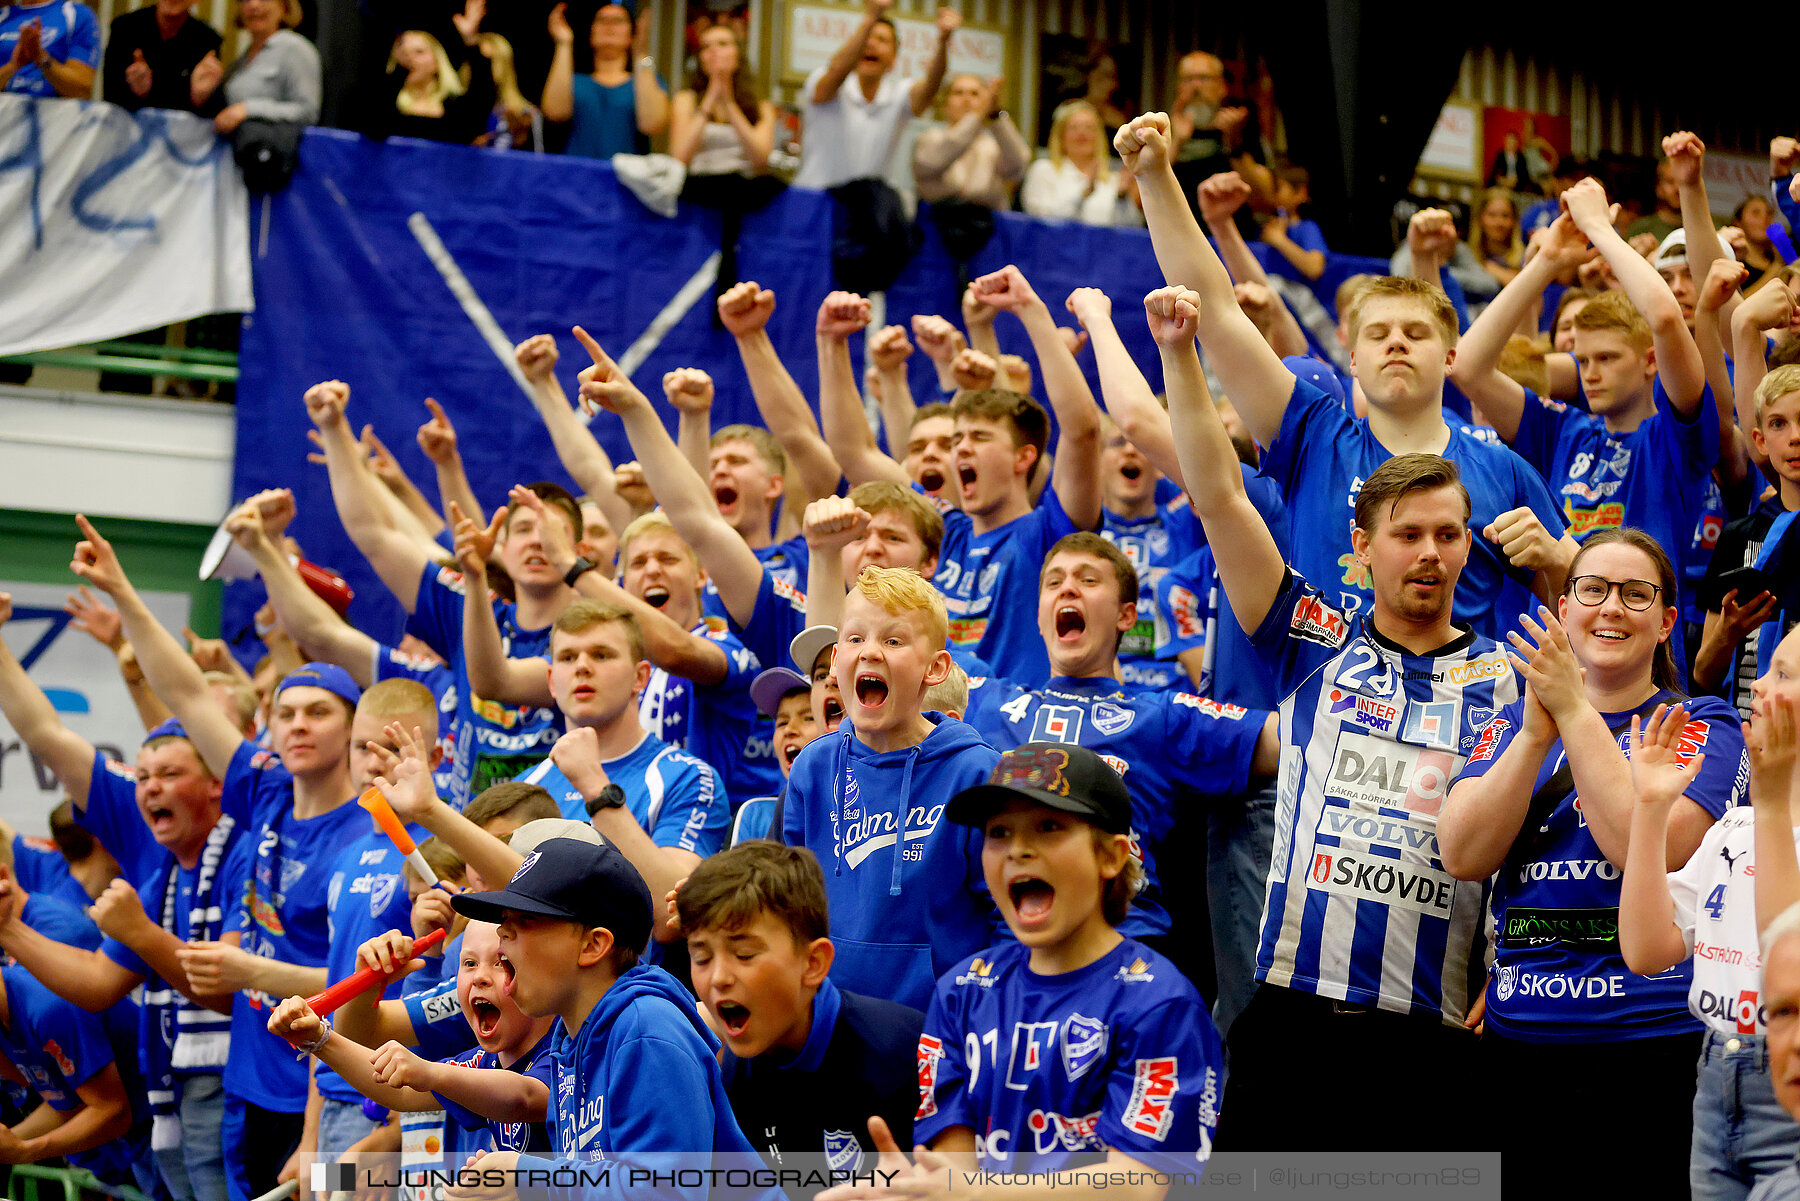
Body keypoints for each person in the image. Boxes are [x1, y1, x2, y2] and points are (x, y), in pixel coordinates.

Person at [1157, 275, 1522, 1148]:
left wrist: (1506, 967)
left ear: (1470, 541)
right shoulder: (1317, 636)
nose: (1430, 553)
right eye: (1407, 533)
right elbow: (1218, 497)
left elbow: (1525, 849)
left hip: (1430, 1034)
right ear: (1362, 546)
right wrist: (1180, 352)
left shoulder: (1508, 682)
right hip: (1296, 1023)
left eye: (1448, 533)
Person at [1117, 110, 1573, 646]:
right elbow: (1216, 311)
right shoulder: (1314, 433)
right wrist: (1155, 177)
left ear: (1451, 358)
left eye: (1416, 333)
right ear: (1351, 359)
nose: (1397, 342)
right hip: (1328, 716)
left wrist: (1562, 561)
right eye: (1378, 334)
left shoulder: (1505, 470)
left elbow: (1577, 606)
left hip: (1466, 721)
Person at [70, 513, 368, 1201]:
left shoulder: (372, 834)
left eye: (317, 712)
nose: (296, 725)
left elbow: (368, 978)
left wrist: (253, 969)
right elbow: (185, 692)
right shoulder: (263, 789)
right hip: (247, 1078)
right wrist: (122, 589)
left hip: (323, 1086)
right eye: (286, 712)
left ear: (352, 726)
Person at [1440, 529, 1745, 1193]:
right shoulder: (1509, 727)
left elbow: (1652, 849)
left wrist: (1573, 709)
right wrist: (1532, 737)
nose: (1612, 607)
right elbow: (1462, 852)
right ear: (1564, 611)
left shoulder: (1703, 722)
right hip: (1522, 1043)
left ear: (1667, 622)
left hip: (1652, 1046)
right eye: (1593, 589)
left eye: (1637, 594)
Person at [871, 742, 1223, 1185]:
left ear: (1112, 856)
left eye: (1049, 826)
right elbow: (951, 1168)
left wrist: (971, 1195)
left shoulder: (1162, 1004)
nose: (1018, 850)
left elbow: (1135, 1188)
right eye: (998, 833)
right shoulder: (961, 991)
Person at [962, 532, 1277, 961]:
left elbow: (1294, 740)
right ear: (1039, 616)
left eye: (1089, 580)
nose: (1068, 587)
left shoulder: (1161, 718)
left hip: (1122, 945)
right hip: (1009, 947)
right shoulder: (981, 701)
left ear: (1126, 615)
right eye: (1054, 583)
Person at [1452, 186, 1724, 677]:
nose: (1590, 373)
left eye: (1606, 358)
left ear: (1648, 363)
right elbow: (1468, 367)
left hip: (1639, 666)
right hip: (1556, 660)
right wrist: (1546, 262)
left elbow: (1663, 316)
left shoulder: (1674, 439)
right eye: (1582, 360)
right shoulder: (1565, 430)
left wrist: (1600, 228)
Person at [441, 838, 774, 1198]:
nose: (503, 932)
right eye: (505, 920)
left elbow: (666, 1192)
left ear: (593, 945)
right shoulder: (568, 1042)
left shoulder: (646, 1030)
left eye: (526, 920)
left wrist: (528, 1178)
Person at [0, 707, 240, 1201]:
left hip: (263, 1087)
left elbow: (229, 996)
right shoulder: (159, 880)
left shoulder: (244, 856)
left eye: (170, 774)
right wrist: (6, 930)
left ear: (220, 784)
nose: (150, 787)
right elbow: (96, 984)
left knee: (366, 1183)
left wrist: (141, 933)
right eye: (144, 776)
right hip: (175, 1092)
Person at [308, 379, 576, 792]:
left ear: (580, 548)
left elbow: (495, 681)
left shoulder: (590, 637)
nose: (538, 540)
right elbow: (374, 535)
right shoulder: (469, 606)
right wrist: (334, 429)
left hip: (552, 841)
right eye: (524, 528)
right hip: (464, 835)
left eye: (552, 529)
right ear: (502, 546)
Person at [1619, 627, 1800, 1201]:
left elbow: (1786, 949)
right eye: (1768, 669)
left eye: (1786, 675)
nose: (1762, 686)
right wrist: (1650, 809)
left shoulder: (1761, 817)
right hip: (1715, 1074)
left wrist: (1771, 806)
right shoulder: (1737, 826)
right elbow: (1647, 949)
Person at [780, 567, 1002, 1011]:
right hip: (831, 1018)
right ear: (837, 654)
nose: (870, 653)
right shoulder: (812, 767)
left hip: (942, 1026)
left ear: (935, 668)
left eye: (894, 641)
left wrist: (976, 1011)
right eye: (855, 639)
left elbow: (1006, 915)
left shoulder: (977, 771)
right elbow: (791, 901)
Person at [676, 843, 922, 1189]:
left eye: (744, 954)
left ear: (813, 963)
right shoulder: (733, 1077)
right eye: (701, 957)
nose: (718, 978)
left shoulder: (906, 1054)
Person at [511, 600, 729, 942]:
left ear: (640, 677)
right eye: (568, 657)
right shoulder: (526, 785)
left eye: (601, 655)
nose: (582, 667)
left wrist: (595, 789)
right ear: (552, 681)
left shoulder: (687, 778)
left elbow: (670, 917)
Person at [266, 920, 556, 1159]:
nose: (480, 976)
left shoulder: (560, 1052)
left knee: (341, 1179)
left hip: (395, 1144)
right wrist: (317, 1038)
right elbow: (399, 1090)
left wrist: (428, 1074)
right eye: (468, 963)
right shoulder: (482, 1050)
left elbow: (524, 1096)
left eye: (501, 963)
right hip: (358, 1125)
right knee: (321, 1183)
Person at [794, 0, 957, 293]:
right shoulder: (826, 84)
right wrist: (872, 16)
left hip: (866, 217)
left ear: (894, 59)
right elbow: (837, 69)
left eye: (883, 41)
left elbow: (930, 87)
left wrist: (944, 42)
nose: (872, 44)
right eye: (868, 38)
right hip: (815, 208)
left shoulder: (898, 95)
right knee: (806, 295)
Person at [1695, 361, 1800, 714]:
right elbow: (1703, 675)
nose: (1794, 436)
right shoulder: (1737, 537)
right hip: (1744, 727)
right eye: (1778, 424)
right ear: (1760, 441)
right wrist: (1727, 634)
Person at [668, 23, 781, 295]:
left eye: (722, 44)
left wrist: (728, 102)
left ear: (738, 54)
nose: (713, 52)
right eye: (706, 47)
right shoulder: (687, 99)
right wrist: (710, 98)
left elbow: (760, 157)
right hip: (700, 192)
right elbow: (679, 156)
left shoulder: (760, 105)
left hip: (742, 194)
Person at [912, 74, 1029, 282]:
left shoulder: (992, 146)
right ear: (945, 104)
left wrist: (995, 116)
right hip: (935, 243)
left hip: (987, 241)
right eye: (958, 93)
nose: (967, 99)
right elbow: (933, 162)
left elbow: (1019, 165)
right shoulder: (930, 139)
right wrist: (976, 117)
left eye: (975, 94)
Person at [541, 0, 668, 160]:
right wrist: (564, 43)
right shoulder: (576, 82)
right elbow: (554, 112)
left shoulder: (647, 81)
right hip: (578, 176)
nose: (609, 26)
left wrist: (640, 52)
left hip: (627, 179)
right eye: (602, 20)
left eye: (618, 21)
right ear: (591, 32)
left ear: (631, 34)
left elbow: (653, 124)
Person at [189, 0, 319, 138]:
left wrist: (248, 109)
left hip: (273, 152)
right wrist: (203, 95)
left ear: (283, 7)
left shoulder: (295, 48)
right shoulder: (241, 60)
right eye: (245, 0)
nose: (254, 5)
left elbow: (307, 112)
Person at [1168, 51, 1268, 219]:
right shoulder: (1162, 130)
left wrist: (1234, 143)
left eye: (1204, 78)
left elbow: (1265, 201)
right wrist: (1176, 142)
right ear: (1178, 86)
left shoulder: (1241, 130)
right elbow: (1139, 200)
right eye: (1188, 79)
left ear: (1222, 86)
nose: (1196, 86)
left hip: (1227, 236)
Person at [1019, 100, 1135, 227]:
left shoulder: (1112, 179)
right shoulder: (1043, 170)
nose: (1082, 134)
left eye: (1089, 128)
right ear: (1061, 137)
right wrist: (1082, 194)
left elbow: (1129, 229)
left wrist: (1122, 198)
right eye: (1074, 127)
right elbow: (1039, 218)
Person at [373, 27, 496, 145]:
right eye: (404, 53)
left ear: (437, 61)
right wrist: (397, 73)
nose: (410, 58)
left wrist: (471, 41)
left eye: (419, 52)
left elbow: (482, 100)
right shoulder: (386, 101)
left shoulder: (453, 106)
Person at [101, 0, 221, 114]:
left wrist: (199, 98)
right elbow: (110, 96)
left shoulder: (207, 39)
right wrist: (135, 93)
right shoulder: (125, 28)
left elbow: (211, 114)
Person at [0, 0, 97, 97]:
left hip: (58, 110)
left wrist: (41, 58)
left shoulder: (77, 15)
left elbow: (82, 89)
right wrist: (12, 66)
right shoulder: (3, 16)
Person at [1468, 188, 1524, 289]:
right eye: (1492, 215)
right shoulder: (1467, 254)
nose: (1499, 222)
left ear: (1514, 221)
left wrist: (1496, 271)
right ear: (1480, 218)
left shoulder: (1524, 258)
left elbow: (1528, 290)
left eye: (1505, 216)